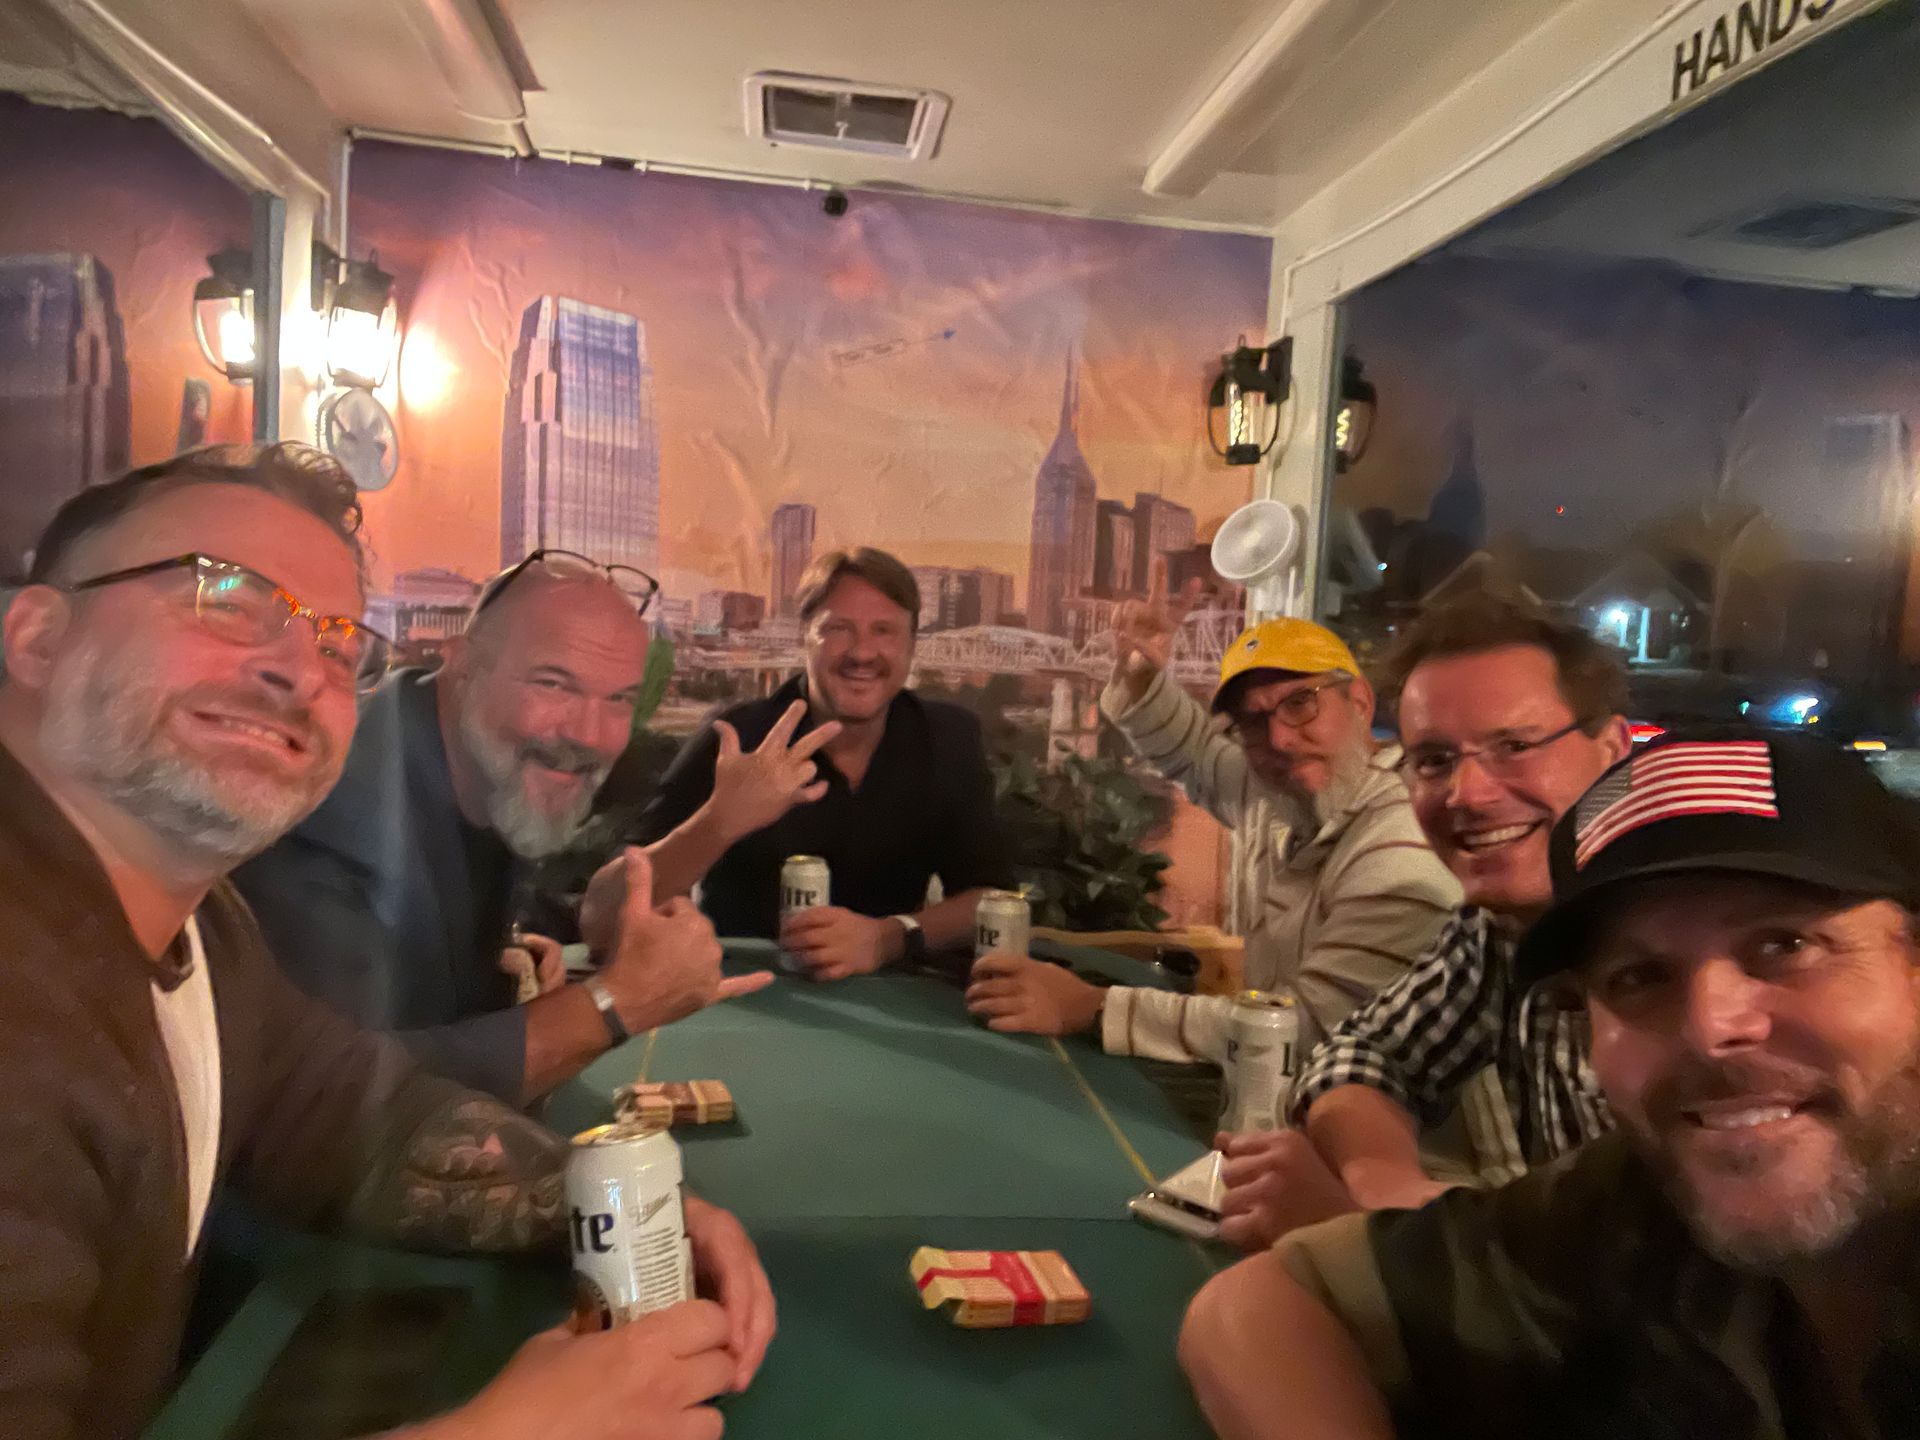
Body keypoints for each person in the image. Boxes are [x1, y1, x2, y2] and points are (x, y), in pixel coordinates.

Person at [0, 444, 771, 1440]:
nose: (295, 669)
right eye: (226, 598)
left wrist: (600, 1202)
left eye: (334, 643)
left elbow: (350, 1117)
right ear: (36, 637)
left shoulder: (199, 927)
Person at [1181, 730, 1920, 1439]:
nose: (1707, 1027)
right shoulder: (1636, 1202)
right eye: (1638, 977)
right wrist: (1382, 1183)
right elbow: (1259, 1305)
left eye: (1786, 945)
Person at [235, 549, 835, 1103]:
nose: (591, 736)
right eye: (553, 683)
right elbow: (328, 1103)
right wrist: (613, 1003)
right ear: (464, 668)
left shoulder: (479, 760)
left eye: (620, 700)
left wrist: (498, 960)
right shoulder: (327, 813)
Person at [1208, 593, 1632, 1249]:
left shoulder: (1686, 954)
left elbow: (1648, 1283)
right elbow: (1360, 1055)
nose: (1469, 794)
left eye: (1515, 745)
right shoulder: (1496, 932)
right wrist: (1384, 1188)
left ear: (1612, 750)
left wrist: (1370, 1235)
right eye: (1435, 760)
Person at [964, 578, 1458, 1082]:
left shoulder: (1404, 844)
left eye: (1299, 702)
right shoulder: (1285, 794)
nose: (1280, 739)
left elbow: (1310, 1028)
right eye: (1252, 721)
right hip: (1304, 1102)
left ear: (1359, 702)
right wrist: (1139, 674)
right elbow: (1195, 753)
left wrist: (1092, 1006)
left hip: (1408, 1150)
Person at [631, 547, 1013, 979]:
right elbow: (626, 900)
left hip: (886, 998)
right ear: (803, 637)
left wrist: (888, 937)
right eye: (838, 629)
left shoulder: (948, 738)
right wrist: (719, 821)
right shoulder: (737, 736)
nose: (862, 653)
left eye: (884, 631)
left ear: (911, 647)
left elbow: (990, 896)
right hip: (735, 995)